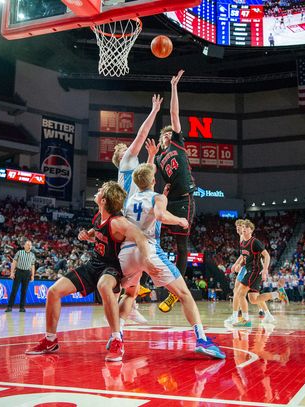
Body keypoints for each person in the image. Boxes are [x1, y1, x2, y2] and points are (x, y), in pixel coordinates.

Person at [26, 181, 160, 362]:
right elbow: (97, 230)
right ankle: (50, 340)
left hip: (112, 267)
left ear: (103, 200)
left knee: (103, 285)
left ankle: (117, 339)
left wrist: (147, 260)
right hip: (93, 265)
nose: (97, 191)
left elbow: (140, 238)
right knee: (53, 292)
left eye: (100, 190)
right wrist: (87, 235)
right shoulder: (99, 216)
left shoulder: (118, 222)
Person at [117, 163, 225, 358]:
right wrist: (179, 220)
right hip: (149, 249)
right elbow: (159, 214)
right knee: (184, 294)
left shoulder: (129, 199)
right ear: (153, 180)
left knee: (130, 294)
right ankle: (202, 339)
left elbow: (145, 212)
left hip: (127, 252)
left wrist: (164, 196)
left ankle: (117, 336)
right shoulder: (157, 197)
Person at [111, 94, 164, 323]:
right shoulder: (126, 160)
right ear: (120, 156)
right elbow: (142, 134)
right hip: (127, 217)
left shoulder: (134, 169)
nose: (129, 148)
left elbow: (147, 179)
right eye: (124, 148)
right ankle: (120, 304)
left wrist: (151, 157)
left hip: (134, 215)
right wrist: (154, 111)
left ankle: (130, 304)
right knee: (131, 262)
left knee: (138, 260)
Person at [152, 70, 197, 313]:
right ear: (161, 140)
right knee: (151, 238)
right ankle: (146, 282)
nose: (168, 134)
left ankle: (175, 294)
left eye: (170, 133)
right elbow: (159, 181)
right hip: (169, 202)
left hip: (185, 200)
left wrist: (174, 87)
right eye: (165, 134)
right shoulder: (158, 158)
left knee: (181, 247)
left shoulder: (178, 143)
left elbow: (174, 114)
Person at [231, 221, 274, 327]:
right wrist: (238, 264)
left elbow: (267, 255)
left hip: (255, 270)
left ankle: (246, 320)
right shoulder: (242, 242)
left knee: (240, 293)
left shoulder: (255, 242)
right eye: (243, 227)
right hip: (250, 270)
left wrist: (265, 270)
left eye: (246, 227)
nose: (243, 229)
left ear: (251, 230)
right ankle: (277, 294)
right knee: (253, 299)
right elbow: (244, 256)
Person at [5, 240, 36, 313]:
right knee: (14, 290)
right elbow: (14, 263)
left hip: (27, 273)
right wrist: (12, 273)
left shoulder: (32, 255)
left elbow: (32, 265)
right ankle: (9, 307)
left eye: (30, 245)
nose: (29, 246)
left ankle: (22, 307)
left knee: (24, 291)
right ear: (24, 246)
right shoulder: (19, 252)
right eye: (27, 244)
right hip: (19, 272)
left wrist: (33, 275)